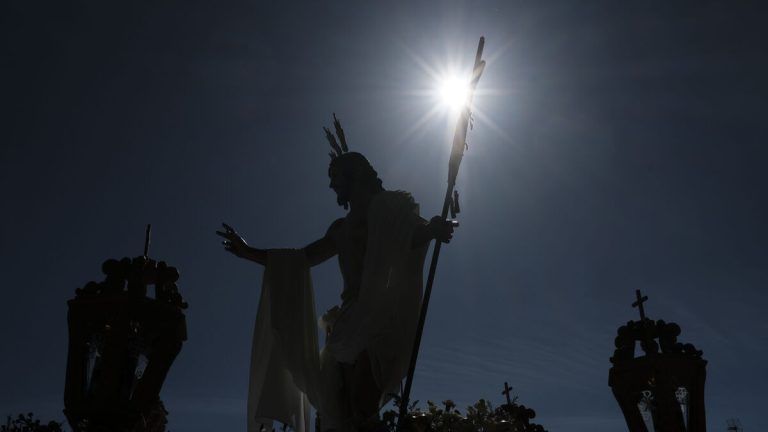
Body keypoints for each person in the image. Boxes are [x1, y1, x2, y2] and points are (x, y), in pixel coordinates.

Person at [217, 120, 453, 432]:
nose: (331, 186)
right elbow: (301, 260)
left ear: (354, 175)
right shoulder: (340, 230)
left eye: (335, 177)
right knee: (338, 410)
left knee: (362, 402)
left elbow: (411, 233)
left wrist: (433, 229)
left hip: (382, 318)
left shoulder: (390, 209)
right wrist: (250, 252)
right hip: (346, 324)